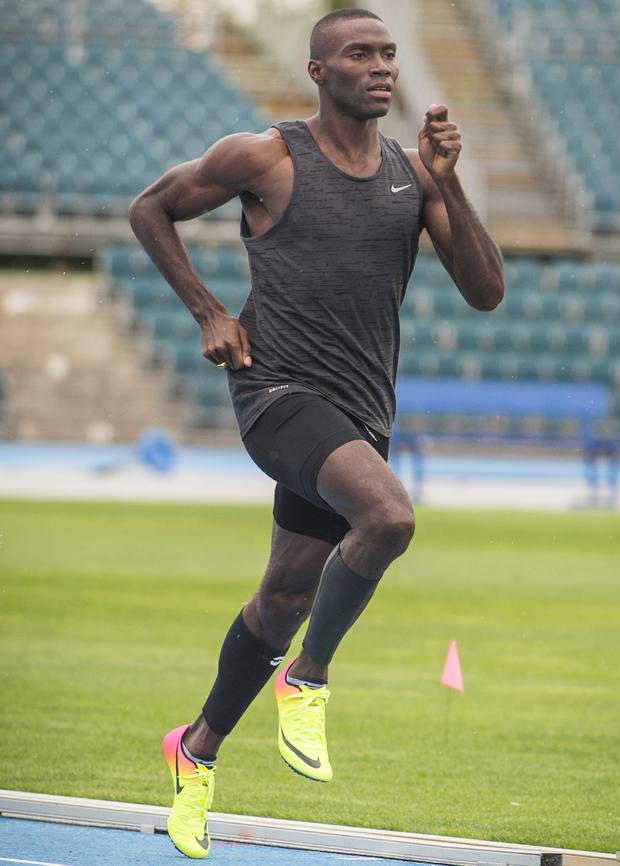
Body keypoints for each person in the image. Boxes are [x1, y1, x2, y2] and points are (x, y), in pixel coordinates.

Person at [129, 7, 504, 858]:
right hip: (276, 394)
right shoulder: (264, 156)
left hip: (360, 412)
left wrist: (449, 182)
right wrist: (209, 310)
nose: (381, 67)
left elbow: (485, 292)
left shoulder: (414, 176)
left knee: (285, 597)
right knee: (391, 518)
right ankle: (308, 679)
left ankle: (195, 750)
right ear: (318, 70)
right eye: (359, 54)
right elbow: (150, 209)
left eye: (388, 54)